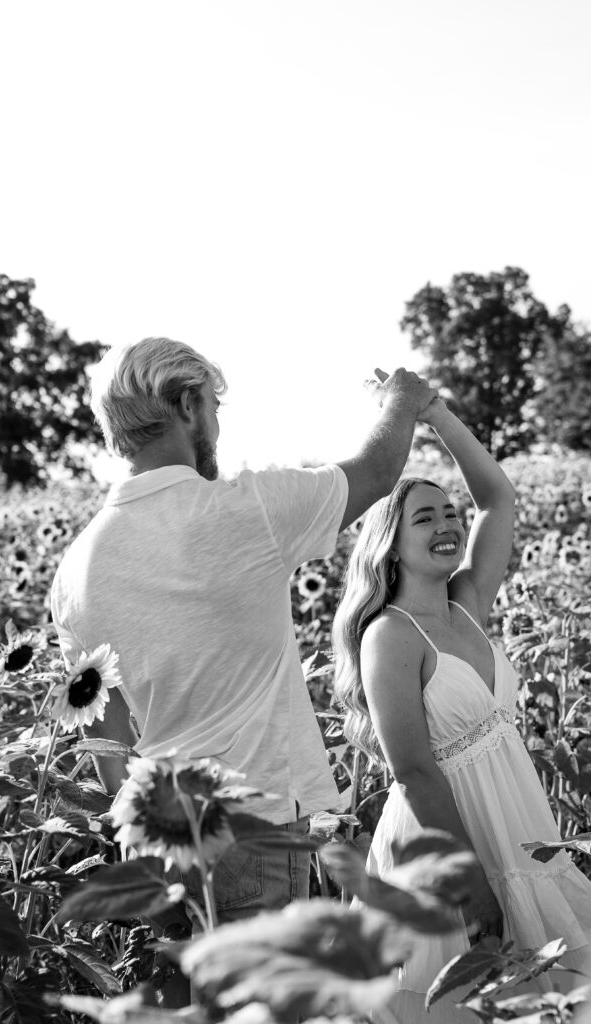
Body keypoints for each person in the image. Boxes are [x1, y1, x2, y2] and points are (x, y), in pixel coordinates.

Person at [50, 337, 440, 930]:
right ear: (186, 405)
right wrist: (402, 400)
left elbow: (105, 742)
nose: (216, 426)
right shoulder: (245, 511)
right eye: (212, 407)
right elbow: (378, 471)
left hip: (154, 841)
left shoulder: (74, 570)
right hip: (251, 824)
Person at [332, 394, 591, 1023]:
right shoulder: (390, 635)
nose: (446, 525)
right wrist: (470, 884)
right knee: (457, 1001)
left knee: (546, 997)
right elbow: (413, 772)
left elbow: (498, 498)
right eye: (424, 518)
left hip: (514, 823)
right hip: (444, 841)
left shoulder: (467, 604)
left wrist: (436, 414)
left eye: (449, 513)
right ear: (390, 546)